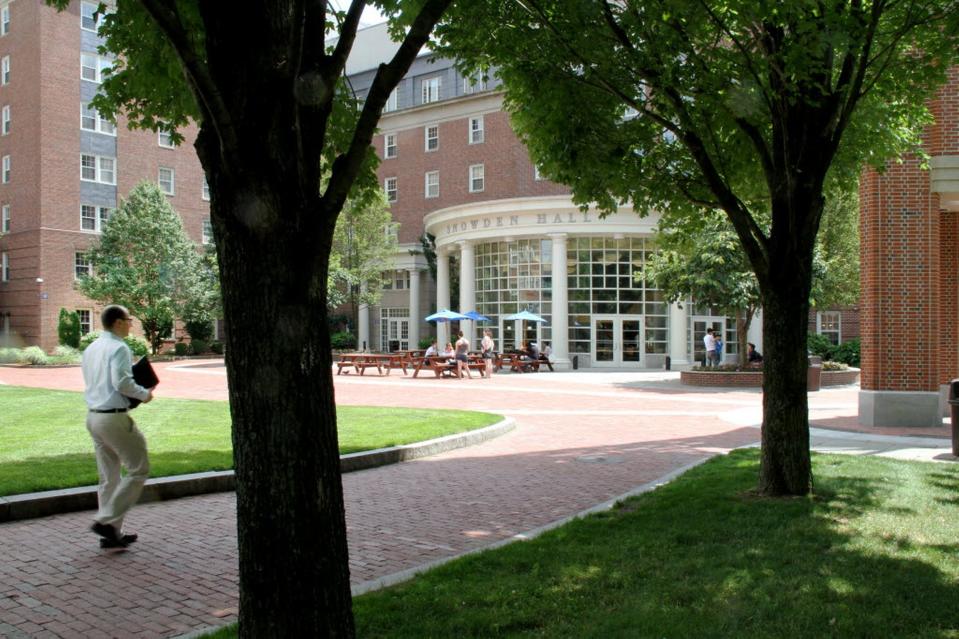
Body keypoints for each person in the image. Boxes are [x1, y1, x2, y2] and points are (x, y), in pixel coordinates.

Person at [82, 305, 154, 549]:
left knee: (109, 477)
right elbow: (122, 382)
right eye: (128, 319)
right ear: (117, 322)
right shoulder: (119, 347)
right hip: (113, 418)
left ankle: (111, 533)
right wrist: (144, 394)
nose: (131, 324)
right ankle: (105, 521)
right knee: (139, 469)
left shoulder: (91, 348)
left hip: (93, 417)